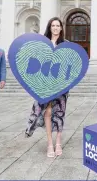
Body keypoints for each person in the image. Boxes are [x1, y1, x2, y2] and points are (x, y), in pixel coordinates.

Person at [24, 17, 69, 158]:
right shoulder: (42, 43)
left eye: (58, 25)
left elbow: (69, 65)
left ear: (61, 28)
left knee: (60, 113)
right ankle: (50, 143)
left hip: (61, 85)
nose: (55, 28)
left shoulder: (66, 44)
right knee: (48, 113)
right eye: (53, 25)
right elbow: (33, 61)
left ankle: (58, 143)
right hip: (44, 84)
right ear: (50, 27)